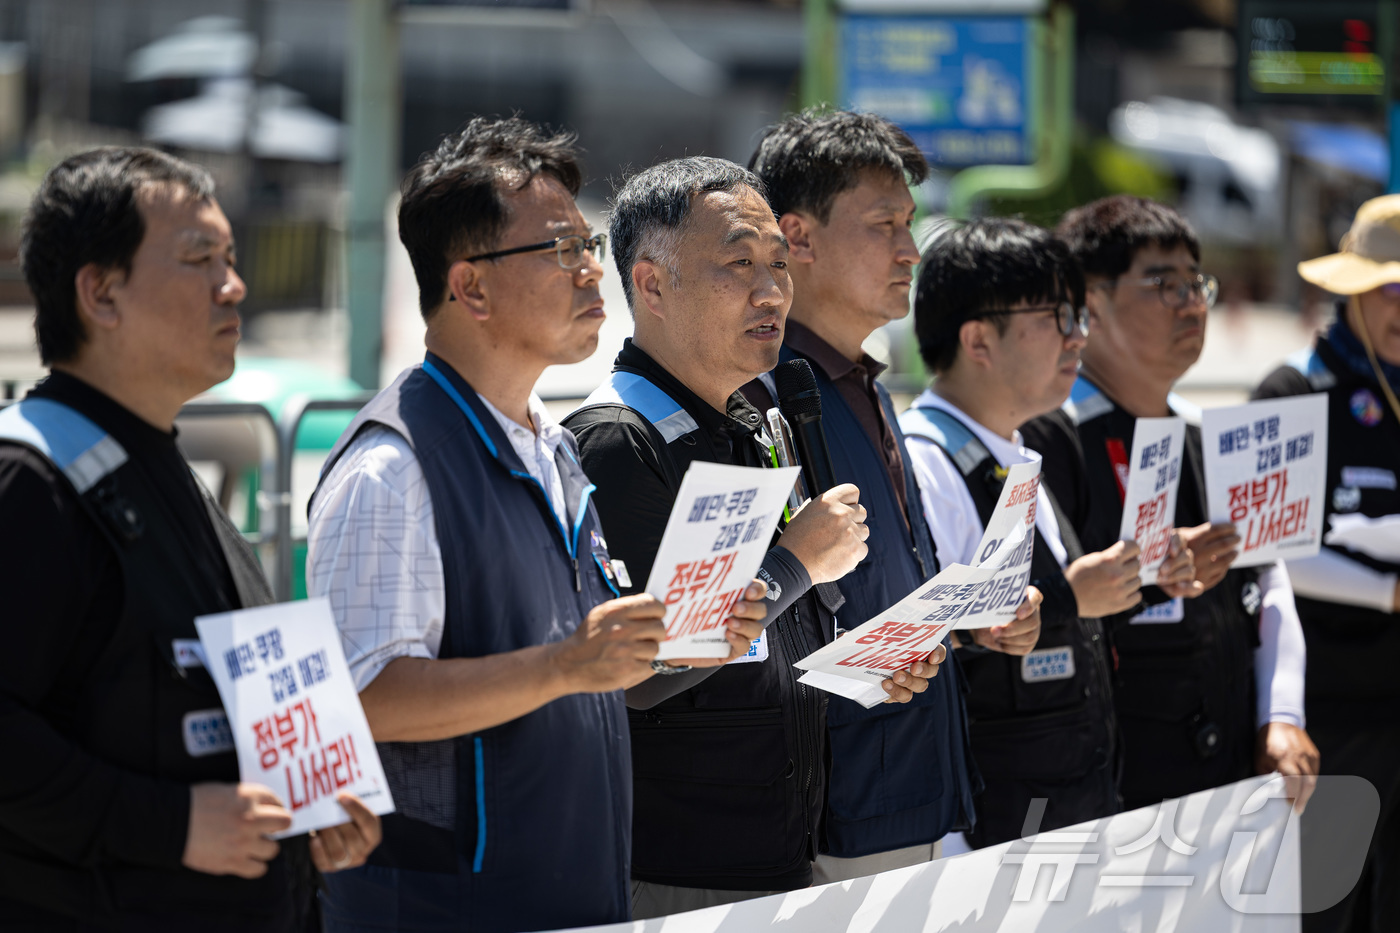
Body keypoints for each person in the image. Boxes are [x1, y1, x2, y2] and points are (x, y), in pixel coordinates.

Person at [305, 122, 767, 933]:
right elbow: (357, 698)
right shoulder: (394, 467)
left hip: (573, 896)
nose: (593, 270)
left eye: (587, 243)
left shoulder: (552, 446)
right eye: (559, 251)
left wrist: (680, 636)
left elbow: (586, 666)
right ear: (470, 289)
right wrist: (565, 664)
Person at [0, 147, 381, 931]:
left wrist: (311, 810)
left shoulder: (154, 463)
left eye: (232, 258)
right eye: (199, 259)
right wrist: (169, 822)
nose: (233, 284)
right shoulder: (31, 479)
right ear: (100, 292)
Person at [564, 156, 933, 916]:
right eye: (739, 264)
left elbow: (757, 646)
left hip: (781, 855)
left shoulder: (753, 422)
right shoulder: (615, 437)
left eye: (778, 264)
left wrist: (864, 670)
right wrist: (796, 561)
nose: (771, 292)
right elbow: (641, 672)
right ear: (651, 284)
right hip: (673, 866)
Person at [743, 110, 1041, 879]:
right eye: (884, 225)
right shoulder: (756, 399)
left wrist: (974, 618)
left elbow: (873, 594)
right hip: (827, 819)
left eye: (910, 223)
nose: (911, 250)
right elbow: (732, 630)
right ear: (796, 237)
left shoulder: (863, 383)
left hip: (905, 796)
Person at [899, 218, 1198, 848]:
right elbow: (919, 643)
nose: (1077, 339)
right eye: (1058, 318)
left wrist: (1145, 581)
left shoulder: (1017, 452)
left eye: (1079, 318)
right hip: (984, 845)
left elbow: (1061, 615)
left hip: (1059, 824)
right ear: (978, 339)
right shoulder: (925, 461)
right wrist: (1068, 598)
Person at [1020, 195, 1319, 814]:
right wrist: (1150, 575)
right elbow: (1020, 613)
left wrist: (1282, 714)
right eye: (1163, 282)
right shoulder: (1047, 438)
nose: (1191, 302)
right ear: (1091, 302)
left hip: (1228, 786)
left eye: (1196, 282)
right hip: (1107, 799)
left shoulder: (1210, 436)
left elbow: (1270, 582)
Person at [1252, 193, 1400, 933]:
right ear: (1353, 290)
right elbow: (1261, 549)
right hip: (1328, 718)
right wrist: (1387, 590)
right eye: (1391, 289)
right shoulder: (1289, 390)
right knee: (1321, 908)